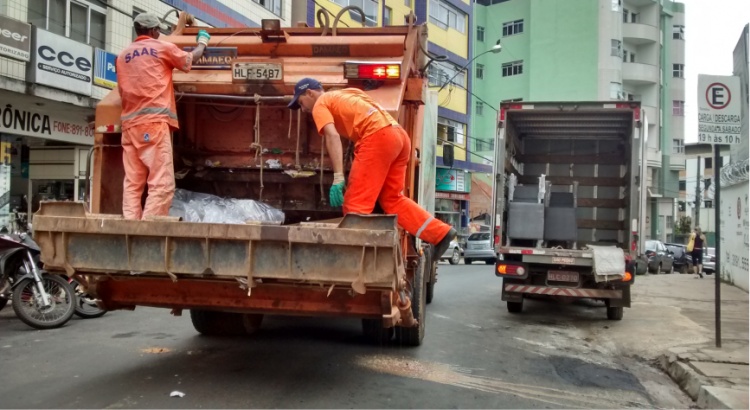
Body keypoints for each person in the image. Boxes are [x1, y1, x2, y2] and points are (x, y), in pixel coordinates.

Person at [287, 78, 457, 257]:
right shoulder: (347, 93)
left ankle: (355, 260)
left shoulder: (320, 103)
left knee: (356, 204)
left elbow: (332, 136)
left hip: (377, 137)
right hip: (398, 136)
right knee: (392, 199)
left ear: (310, 93)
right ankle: (441, 233)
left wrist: (338, 176)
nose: (304, 109)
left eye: (301, 103)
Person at [116, 13, 210, 220]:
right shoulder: (161, 48)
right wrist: (202, 42)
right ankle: (149, 231)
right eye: (158, 30)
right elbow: (189, 60)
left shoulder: (122, 56)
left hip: (130, 127)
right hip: (154, 125)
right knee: (161, 183)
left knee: (133, 183)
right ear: (151, 31)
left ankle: (130, 228)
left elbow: (122, 91)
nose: (159, 34)